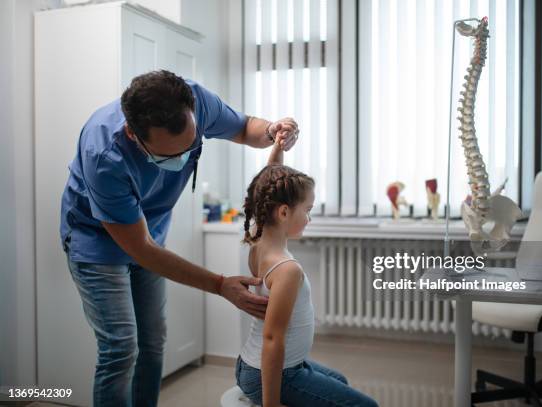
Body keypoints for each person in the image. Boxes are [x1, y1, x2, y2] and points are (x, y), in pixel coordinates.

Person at [59, 70, 299, 407]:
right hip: (97, 241)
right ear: (133, 134)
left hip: (149, 232)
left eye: (190, 147)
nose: (183, 159)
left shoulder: (195, 100)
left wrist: (274, 131)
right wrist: (219, 284)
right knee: (121, 347)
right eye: (170, 156)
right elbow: (141, 249)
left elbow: (247, 129)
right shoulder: (104, 155)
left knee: (153, 340)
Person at [234, 137, 378, 407]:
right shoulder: (287, 270)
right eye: (308, 210)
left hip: (251, 364)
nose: (309, 218)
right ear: (285, 212)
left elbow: (266, 190)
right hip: (273, 373)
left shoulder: (258, 241)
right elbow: (273, 338)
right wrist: (271, 404)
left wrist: (276, 149)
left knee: (340, 380)